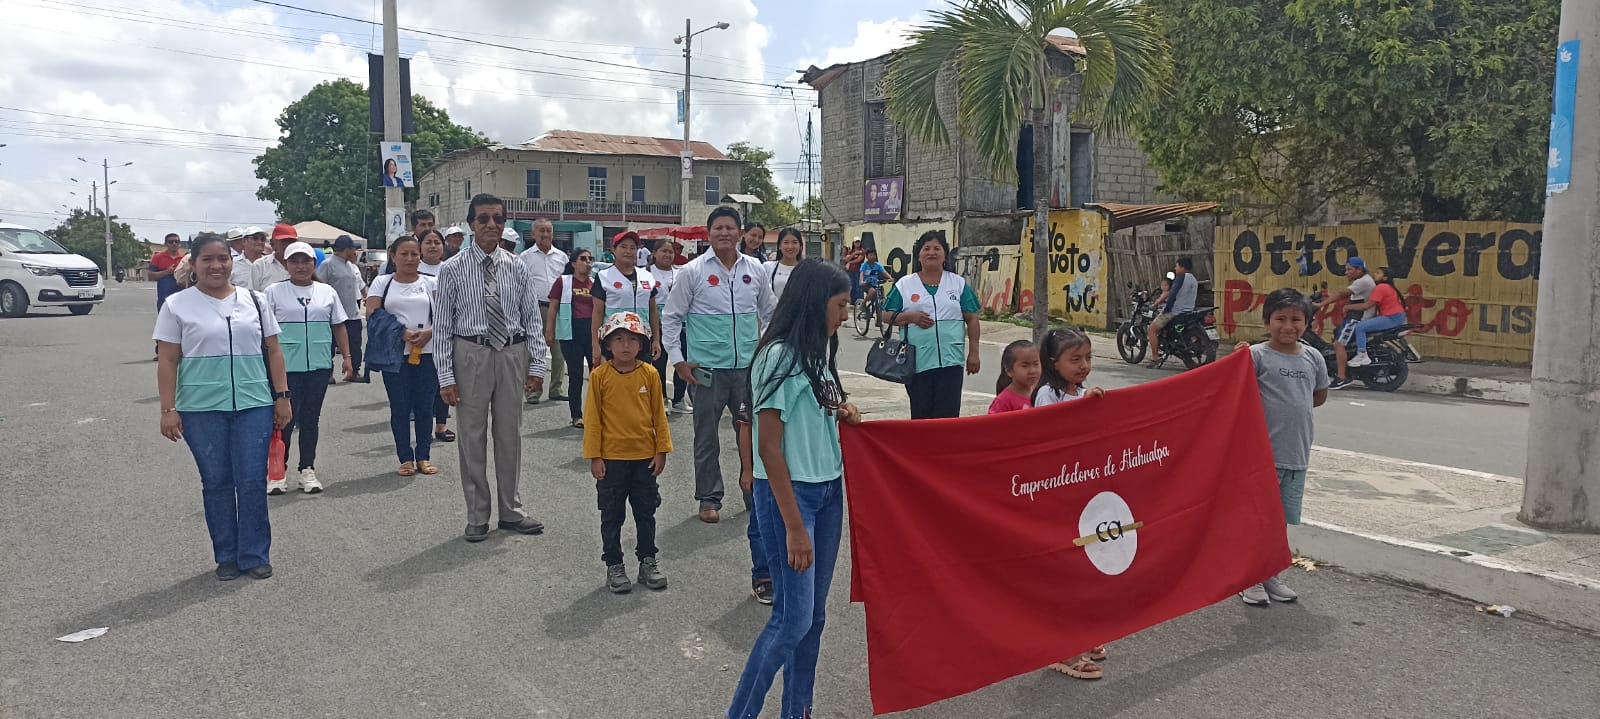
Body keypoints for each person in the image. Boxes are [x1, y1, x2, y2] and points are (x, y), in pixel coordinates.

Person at [726, 259, 862, 719]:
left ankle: (798, 710)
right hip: (791, 497)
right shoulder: (778, 356)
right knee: (791, 621)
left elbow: (813, 408)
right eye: (840, 304)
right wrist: (794, 527)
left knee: (812, 620)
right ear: (814, 302)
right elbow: (768, 447)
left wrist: (842, 409)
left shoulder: (817, 352)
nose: (845, 314)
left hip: (828, 492)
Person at [155, 233, 293, 581]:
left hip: (254, 404)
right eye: (208, 259)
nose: (216, 266)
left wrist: (282, 396)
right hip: (201, 409)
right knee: (216, 481)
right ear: (194, 263)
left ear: (232, 262)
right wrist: (168, 409)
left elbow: (274, 350)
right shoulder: (176, 305)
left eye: (223, 259)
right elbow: (168, 360)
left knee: (251, 480)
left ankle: (254, 553)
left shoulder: (255, 301)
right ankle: (227, 555)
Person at [663, 205, 777, 605]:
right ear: (708, 234)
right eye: (718, 228)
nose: (724, 233)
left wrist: (768, 351)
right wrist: (678, 361)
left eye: (730, 227)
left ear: (740, 232)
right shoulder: (692, 272)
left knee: (754, 435)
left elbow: (770, 312)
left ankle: (753, 493)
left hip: (748, 368)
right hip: (706, 370)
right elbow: (672, 318)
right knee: (706, 436)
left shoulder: (755, 269)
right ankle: (709, 498)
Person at [431, 193, 549, 542]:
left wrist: (537, 365)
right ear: (471, 224)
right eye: (483, 219)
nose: (491, 225)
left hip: (511, 352)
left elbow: (532, 318)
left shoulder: (517, 266)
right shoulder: (452, 269)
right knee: (472, 437)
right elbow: (442, 327)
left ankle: (511, 511)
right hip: (471, 353)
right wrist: (446, 376)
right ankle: (477, 514)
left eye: (498, 218)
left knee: (509, 435)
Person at [1236, 288, 1329, 604]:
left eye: (1296, 320)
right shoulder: (1255, 356)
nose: (1288, 326)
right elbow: (1234, 391)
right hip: (1261, 457)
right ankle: (1248, 578)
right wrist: (1237, 359)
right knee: (1256, 519)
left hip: (1296, 456)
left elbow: (1318, 395)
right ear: (1267, 322)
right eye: (1280, 319)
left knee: (1278, 523)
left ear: (1307, 323)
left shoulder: (1313, 357)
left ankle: (1269, 575)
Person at [1030, 326, 1109, 679]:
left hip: (1082, 493)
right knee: (1063, 571)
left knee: (1083, 566)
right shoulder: (1047, 394)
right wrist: (1084, 406)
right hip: (1056, 494)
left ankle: (1080, 633)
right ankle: (1062, 650)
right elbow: (1053, 432)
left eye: (1088, 358)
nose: (1083, 366)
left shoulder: (1080, 392)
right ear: (1053, 362)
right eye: (1075, 359)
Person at [583, 311, 673, 594]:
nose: (625, 345)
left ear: (641, 344)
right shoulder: (599, 377)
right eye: (619, 339)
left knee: (646, 512)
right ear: (608, 344)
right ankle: (614, 564)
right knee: (611, 515)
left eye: (632, 340)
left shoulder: (650, 375)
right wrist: (595, 456)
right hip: (611, 460)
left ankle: (648, 561)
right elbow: (593, 419)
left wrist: (661, 450)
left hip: (644, 459)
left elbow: (659, 415)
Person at [264, 241, 352, 494]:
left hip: (318, 366)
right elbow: (264, 332)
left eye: (306, 261)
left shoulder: (326, 292)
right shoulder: (273, 292)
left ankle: (307, 469)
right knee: (284, 419)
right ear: (286, 264)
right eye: (294, 261)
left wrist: (347, 357)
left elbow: (338, 325)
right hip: (285, 368)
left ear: (314, 264)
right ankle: (277, 472)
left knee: (311, 419)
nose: (301, 266)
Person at [880, 232, 981, 419]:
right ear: (919, 256)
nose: (931, 252)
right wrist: (910, 317)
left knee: (948, 417)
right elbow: (885, 315)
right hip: (916, 363)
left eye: (937, 248)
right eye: (926, 249)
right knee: (921, 415)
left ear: (945, 255)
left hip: (951, 362)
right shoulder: (905, 284)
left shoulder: (958, 284)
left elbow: (972, 318)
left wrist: (974, 353)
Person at [369, 236, 441, 477]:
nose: (410, 259)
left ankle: (423, 456)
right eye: (404, 254)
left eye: (414, 254)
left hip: (427, 353)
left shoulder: (431, 282)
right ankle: (405, 458)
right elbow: (372, 313)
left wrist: (429, 333)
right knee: (400, 407)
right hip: (395, 356)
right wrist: (402, 333)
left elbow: (446, 314)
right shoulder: (382, 282)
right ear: (393, 256)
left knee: (425, 407)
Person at [590, 231, 661, 368]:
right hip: (614, 340)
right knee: (614, 379)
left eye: (632, 248)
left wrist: (656, 340)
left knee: (640, 379)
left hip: (641, 340)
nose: (628, 251)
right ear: (614, 250)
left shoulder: (646, 276)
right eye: (623, 247)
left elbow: (653, 310)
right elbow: (597, 313)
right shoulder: (603, 277)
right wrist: (595, 345)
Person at [520, 218, 569, 405]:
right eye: (541, 231)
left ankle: (556, 389)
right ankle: (532, 392)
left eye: (548, 231)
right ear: (533, 234)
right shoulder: (525, 257)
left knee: (559, 353)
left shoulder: (562, 257)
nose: (545, 234)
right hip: (534, 309)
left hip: (558, 310)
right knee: (533, 353)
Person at [546, 249, 597, 428]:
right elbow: (553, 307)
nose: (587, 262)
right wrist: (550, 330)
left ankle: (597, 413)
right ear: (574, 263)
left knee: (597, 374)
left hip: (592, 334)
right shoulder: (563, 281)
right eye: (583, 259)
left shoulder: (595, 283)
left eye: (590, 259)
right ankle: (577, 415)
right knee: (575, 375)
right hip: (571, 334)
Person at [1319, 257, 1377, 390]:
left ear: (1359, 270)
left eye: (1349, 270)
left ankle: (1341, 378)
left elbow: (1341, 294)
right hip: (1355, 316)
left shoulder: (1363, 281)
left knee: (1339, 344)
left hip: (1358, 318)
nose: (1346, 273)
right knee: (1337, 334)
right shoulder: (1363, 280)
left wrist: (1320, 304)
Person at [318, 235, 367, 383]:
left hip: (352, 313)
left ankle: (354, 371)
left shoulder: (352, 267)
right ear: (346, 250)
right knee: (330, 345)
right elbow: (320, 286)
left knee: (355, 344)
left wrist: (366, 296)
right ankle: (327, 373)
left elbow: (361, 285)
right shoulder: (328, 264)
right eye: (353, 249)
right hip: (333, 314)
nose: (355, 253)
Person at [1342, 266, 1406, 377]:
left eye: (1378, 273)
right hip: (1396, 317)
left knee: (1360, 327)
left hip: (1391, 318)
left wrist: (1348, 307)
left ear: (1385, 278)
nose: (1374, 274)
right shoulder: (1388, 287)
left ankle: (1362, 355)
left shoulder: (1381, 287)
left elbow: (1366, 306)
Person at [650, 239, 689, 410]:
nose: (667, 255)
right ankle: (662, 400)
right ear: (655, 253)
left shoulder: (681, 273)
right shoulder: (646, 273)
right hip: (658, 326)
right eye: (663, 251)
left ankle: (679, 399)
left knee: (682, 360)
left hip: (680, 325)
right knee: (659, 363)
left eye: (670, 252)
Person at [1147, 257, 1198, 366]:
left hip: (1175, 311)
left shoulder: (1180, 278)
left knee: (1151, 330)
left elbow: (1172, 294)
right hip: (1188, 311)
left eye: (1177, 266)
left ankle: (1155, 358)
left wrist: (1166, 309)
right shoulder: (1193, 279)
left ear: (1182, 267)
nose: (1175, 268)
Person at [149, 233, 185, 359]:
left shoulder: (184, 259)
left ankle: (181, 350)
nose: (174, 244)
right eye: (171, 242)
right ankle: (162, 352)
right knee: (164, 324)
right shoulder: (158, 257)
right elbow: (151, 275)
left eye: (176, 241)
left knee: (182, 323)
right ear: (166, 244)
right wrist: (167, 272)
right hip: (164, 297)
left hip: (182, 296)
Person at [988, 339, 1040, 414]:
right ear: (1009, 371)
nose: (1032, 371)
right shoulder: (1003, 401)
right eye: (1025, 366)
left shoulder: (1041, 393)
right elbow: (993, 421)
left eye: (1036, 364)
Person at [251, 223, 296, 291]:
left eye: (291, 242)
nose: (288, 245)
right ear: (272, 244)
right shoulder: (260, 265)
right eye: (283, 241)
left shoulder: (303, 266)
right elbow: (253, 293)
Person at [764, 228, 804, 302]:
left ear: (800, 246)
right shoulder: (768, 267)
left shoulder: (806, 270)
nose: (790, 247)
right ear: (779, 246)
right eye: (786, 242)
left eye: (794, 242)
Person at [844, 240, 865, 304]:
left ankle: (860, 302)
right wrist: (854, 254)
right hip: (851, 271)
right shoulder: (851, 251)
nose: (857, 243)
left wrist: (850, 262)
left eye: (858, 242)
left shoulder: (862, 251)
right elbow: (846, 259)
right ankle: (852, 302)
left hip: (859, 271)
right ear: (853, 243)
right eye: (856, 242)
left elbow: (859, 260)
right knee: (852, 286)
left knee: (859, 287)